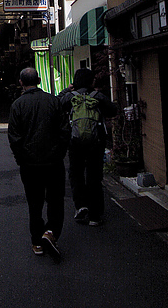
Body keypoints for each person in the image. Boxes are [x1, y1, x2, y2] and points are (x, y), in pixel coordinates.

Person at [8, 67, 70, 259]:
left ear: (21, 82)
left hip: (29, 164)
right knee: (56, 201)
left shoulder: (18, 105)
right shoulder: (53, 101)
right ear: (40, 80)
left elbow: (14, 137)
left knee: (34, 203)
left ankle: (37, 243)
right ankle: (50, 232)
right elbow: (65, 131)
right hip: (53, 162)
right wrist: (59, 153)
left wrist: (21, 159)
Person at [58, 68, 117, 226]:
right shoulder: (98, 96)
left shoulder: (70, 97)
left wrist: (67, 90)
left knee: (76, 174)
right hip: (96, 143)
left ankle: (81, 206)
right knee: (94, 176)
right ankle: (95, 216)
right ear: (92, 81)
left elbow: (56, 105)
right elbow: (113, 110)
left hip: (75, 141)